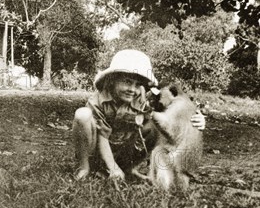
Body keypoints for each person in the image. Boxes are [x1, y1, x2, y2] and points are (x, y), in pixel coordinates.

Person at [72, 49, 205, 181]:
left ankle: (129, 169)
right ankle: (85, 168)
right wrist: (113, 168)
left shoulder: (142, 99)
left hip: (122, 153)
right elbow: (102, 137)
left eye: (138, 85)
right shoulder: (98, 101)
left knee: (154, 126)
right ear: (113, 80)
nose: (132, 90)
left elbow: (171, 117)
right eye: (127, 82)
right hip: (96, 152)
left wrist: (195, 118)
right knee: (82, 115)